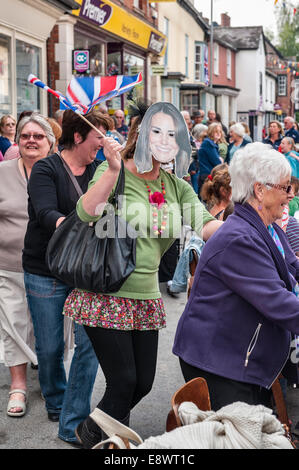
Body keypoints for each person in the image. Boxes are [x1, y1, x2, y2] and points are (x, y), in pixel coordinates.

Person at [62, 101, 222, 449]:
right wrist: (111, 170)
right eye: (158, 131)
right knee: (123, 382)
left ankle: (93, 432)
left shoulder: (176, 186)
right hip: (106, 294)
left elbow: (204, 222)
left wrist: (245, 230)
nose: (166, 141)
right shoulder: (113, 168)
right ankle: (99, 440)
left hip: (146, 297)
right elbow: (86, 213)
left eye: (174, 135)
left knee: (142, 384)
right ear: (141, 134)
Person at [173, 142, 299, 412]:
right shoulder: (239, 239)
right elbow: (277, 301)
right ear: (260, 189)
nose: (290, 195)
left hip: (238, 357)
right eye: (285, 187)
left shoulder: (268, 228)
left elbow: (293, 266)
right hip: (220, 362)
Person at [22, 110, 113, 444]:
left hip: (85, 270)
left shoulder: (100, 170)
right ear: (78, 137)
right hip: (44, 269)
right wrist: (78, 225)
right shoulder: (46, 168)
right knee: (49, 348)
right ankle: (58, 399)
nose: (103, 145)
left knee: (89, 344)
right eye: (99, 137)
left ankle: (74, 413)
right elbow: (46, 213)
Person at [0, 113, 55, 418]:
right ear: (17, 141)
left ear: (51, 142)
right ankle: (18, 386)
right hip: (8, 263)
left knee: (48, 331)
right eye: (25, 135)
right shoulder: (3, 172)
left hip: (50, 267)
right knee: (13, 324)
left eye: (38, 136)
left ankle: (50, 383)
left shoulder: (60, 171)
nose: (31, 140)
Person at [197, 122, 223, 197]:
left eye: (220, 132)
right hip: (207, 176)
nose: (219, 134)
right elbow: (217, 162)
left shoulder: (211, 143)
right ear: (211, 132)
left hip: (209, 175)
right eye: (216, 132)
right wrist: (220, 160)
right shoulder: (208, 143)